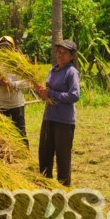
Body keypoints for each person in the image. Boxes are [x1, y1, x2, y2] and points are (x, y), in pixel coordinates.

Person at [34, 39, 80, 186]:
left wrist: (51, 93)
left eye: (65, 53)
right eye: (59, 52)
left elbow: (74, 95)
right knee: (45, 153)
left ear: (72, 56)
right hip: (49, 117)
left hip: (64, 120)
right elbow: (47, 94)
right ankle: (45, 184)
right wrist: (42, 92)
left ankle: (63, 188)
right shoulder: (52, 70)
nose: (60, 55)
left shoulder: (72, 72)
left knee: (62, 156)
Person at [0, 36, 29, 147]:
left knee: (20, 131)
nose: (4, 49)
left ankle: (25, 155)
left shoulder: (19, 61)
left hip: (15, 103)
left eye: (7, 47)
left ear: (12, 48)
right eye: (2, 47)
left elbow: (27, 81)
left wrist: (13, 84)